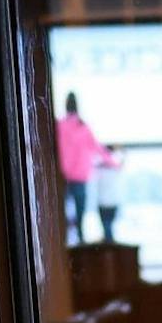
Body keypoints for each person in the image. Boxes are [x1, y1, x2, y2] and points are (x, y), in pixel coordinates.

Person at [56, 93, 118, 246]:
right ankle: (80, 237)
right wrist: (113, 162)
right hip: (79, 175)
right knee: (79, 209)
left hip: (62, 174)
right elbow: (97, 148)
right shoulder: (83, 127)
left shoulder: (60, 126)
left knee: (62, 208)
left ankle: (63, 238)